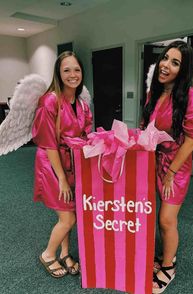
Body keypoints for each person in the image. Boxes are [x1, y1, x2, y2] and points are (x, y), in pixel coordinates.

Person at [141, 40, 193, 293]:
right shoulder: (154, 93)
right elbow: (148, 128)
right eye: (165, 58)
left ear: (184, 70)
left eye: (175, 62)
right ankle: (167, 254)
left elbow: (191, 142)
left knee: (167, 219)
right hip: (154, 161)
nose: (166, 65)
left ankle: (168, 267)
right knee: (156, 217)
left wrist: (170, 173)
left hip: (175, 166)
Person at [32, 51, 93, 278]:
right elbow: (49, 145)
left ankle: (65, 253)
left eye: (76, 69)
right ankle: (48, 254)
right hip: (52, 164)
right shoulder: (50, 101)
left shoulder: (83, 105)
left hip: (73, 163)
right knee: (69, 218)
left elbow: (86, 136)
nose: (72, 74)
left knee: (67, 210)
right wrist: (61, 180)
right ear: (58, 73)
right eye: (66, 70)